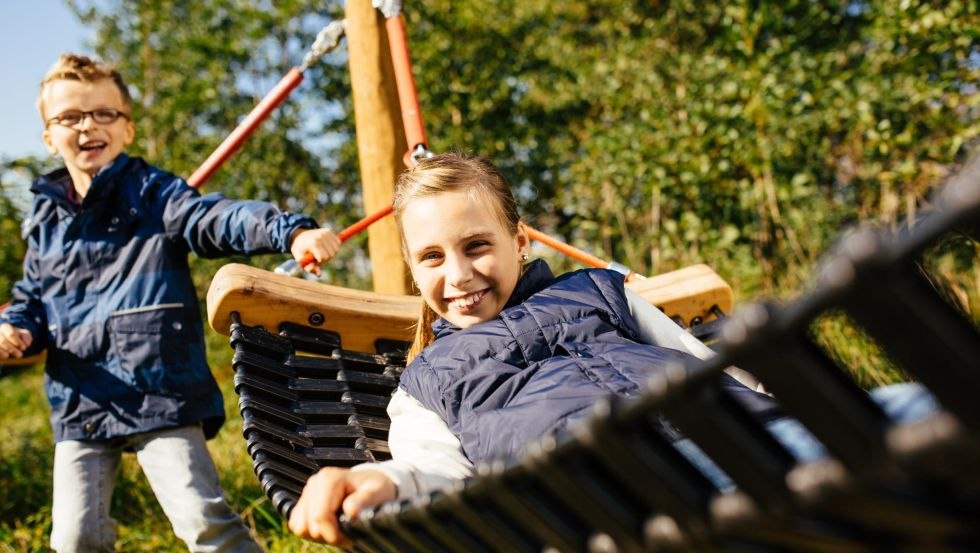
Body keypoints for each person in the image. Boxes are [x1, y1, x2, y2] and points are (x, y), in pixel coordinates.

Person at [286, 153, 937, 547]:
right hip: (621, 493)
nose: (457, 274)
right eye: (432, 256)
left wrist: (785, 393)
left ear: (520, 242)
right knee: (894, 443)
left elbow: (706, 359)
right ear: (410, 266)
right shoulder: (428, 381)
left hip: (747, 430)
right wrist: (380, 479)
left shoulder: (600, 292)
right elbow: (439, 475)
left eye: (476, 245)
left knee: (914, 405)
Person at [0, 53, 342, 552]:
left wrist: (289, 230)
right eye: (69, 117)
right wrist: (17, 326)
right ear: (50, 137)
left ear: (127, 129)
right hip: (82, 398)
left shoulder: (155, 195)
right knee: (74, 538)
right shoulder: (45, 221)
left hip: (157, 388)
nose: (87, 126)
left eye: (103, 114)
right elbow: (32, 295)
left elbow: (217, 218)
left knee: (201, 521)